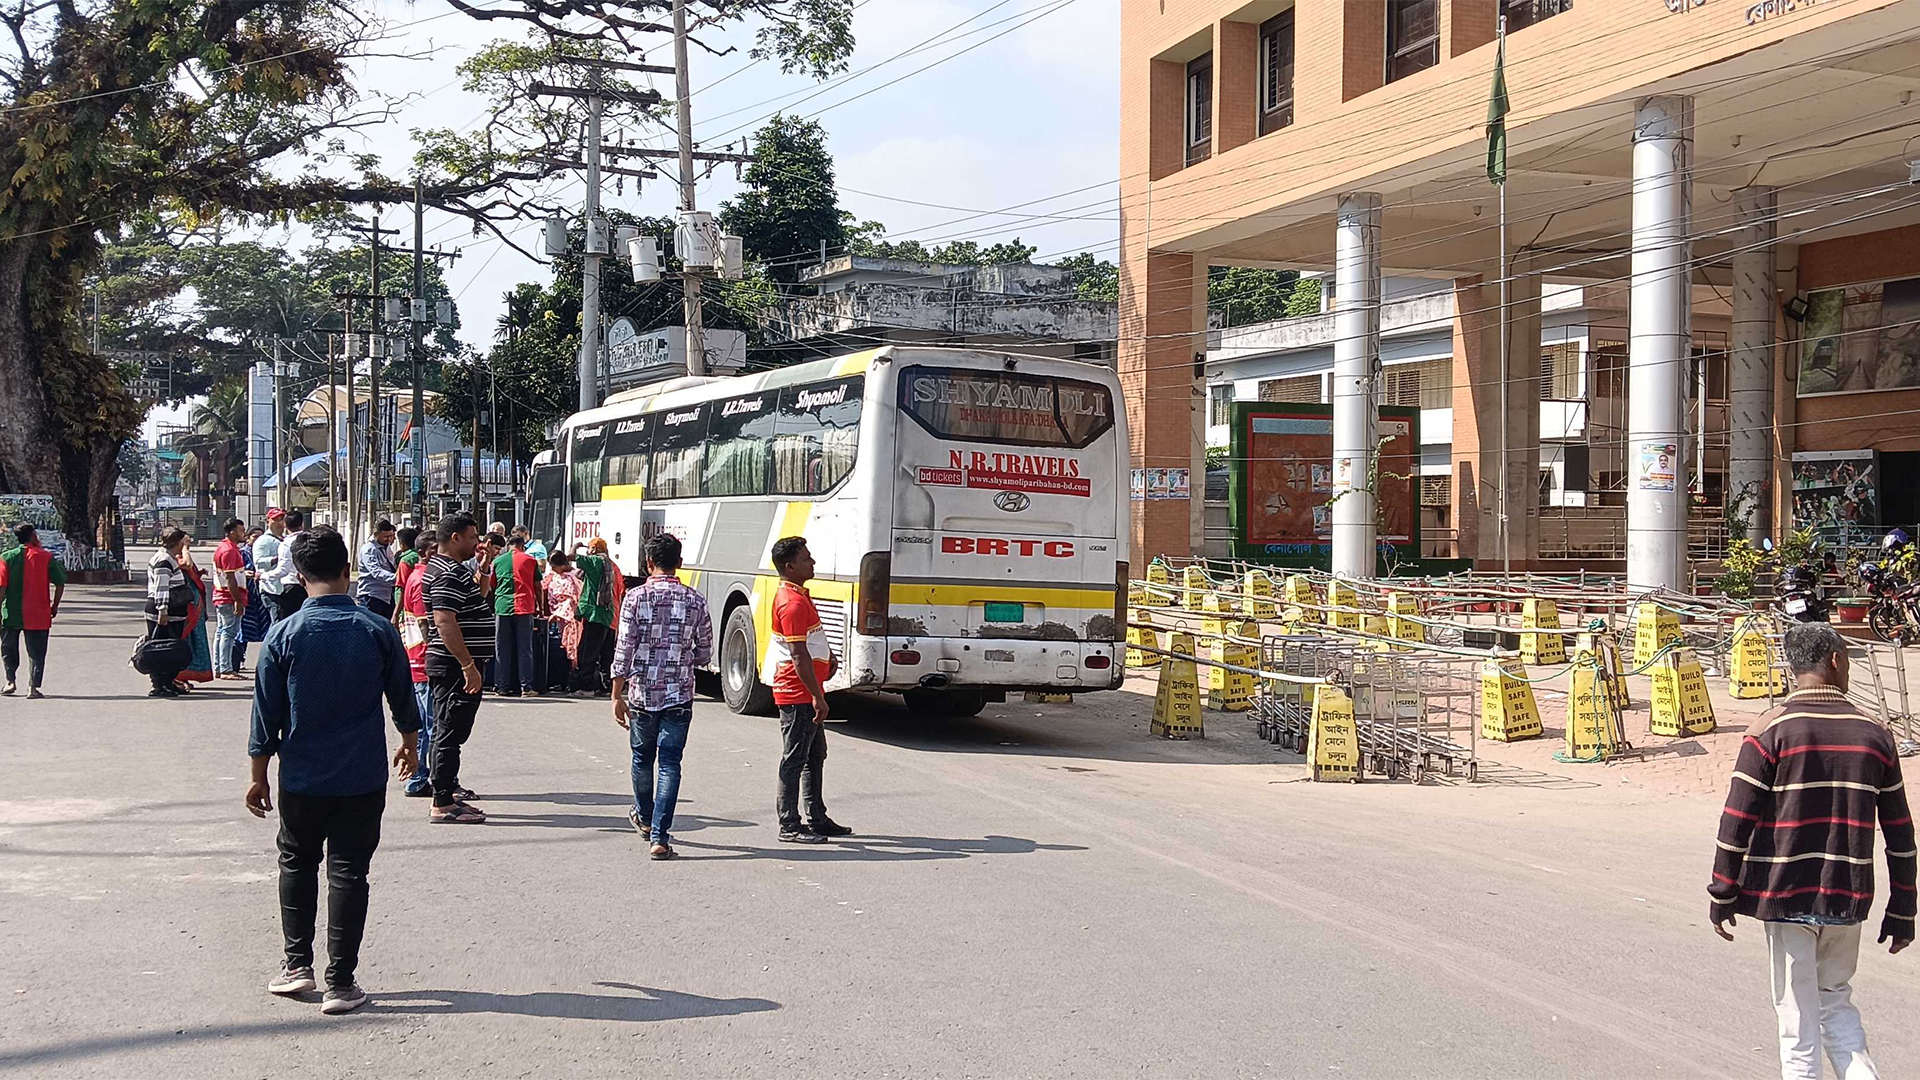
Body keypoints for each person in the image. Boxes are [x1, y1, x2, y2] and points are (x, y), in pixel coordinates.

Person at [1709, 622, 1914, 1080]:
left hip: (1785, 898)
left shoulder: (1769, 731)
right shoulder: (1875, 735)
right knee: (1834, 1000)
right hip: (1848, 897)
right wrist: (1903, 910)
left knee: (1797, 1025)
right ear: (1837, 662)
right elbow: (1900, 834)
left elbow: (1735, 821)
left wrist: (1722, 893)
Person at [246, 525, 420, 1016]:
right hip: (362, 775)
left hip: (301, 775)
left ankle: (296, 965)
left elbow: (266, 715)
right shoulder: (377, 629)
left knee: (297, 862)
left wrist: (258, 774)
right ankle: (341, 982)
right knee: (350, 872)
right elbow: (404, 701)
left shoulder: (282, 634)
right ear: (349, 571)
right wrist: (409, 744)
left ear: (300, 577)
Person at [610, 534, 712, 860]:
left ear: (648, 563)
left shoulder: (635, 597)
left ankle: (642, 815)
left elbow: (624, 648)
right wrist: (682, 660)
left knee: (642, 759)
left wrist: (616, 694)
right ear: (679, 562)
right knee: (670, 763)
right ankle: (660, 837)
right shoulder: (696, 600)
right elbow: (706, 652)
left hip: (642, 693)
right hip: (679, 694)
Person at [764, 536, 852, 844]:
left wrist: (827, 660)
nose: (812, 563)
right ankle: (790, 823)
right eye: (806, 559)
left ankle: (816, 817)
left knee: (815, 755)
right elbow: (798, 654)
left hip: (805, 690)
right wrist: (817, 695)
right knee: (796, 758)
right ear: (790, 567)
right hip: (798, 692)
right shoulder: (792, 602)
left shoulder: (797, 596)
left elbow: (809, 646)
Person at [423, 513, 494, 824]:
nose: (476, 542)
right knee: (449, 730)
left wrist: (484, 567)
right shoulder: (446, 574)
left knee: (453, 728)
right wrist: (467, 664)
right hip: (453, 665)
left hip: (460, 663)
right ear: (455, 538)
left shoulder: (455, 570)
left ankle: (448, 791)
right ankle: (441, 802)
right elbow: (444, 620)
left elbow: (477, 597)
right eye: (471, 537)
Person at [0, 523, 66, 699]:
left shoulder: (6, 557)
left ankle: (10, 681)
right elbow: (60, 583)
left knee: (8, 649)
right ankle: (33, 687)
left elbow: (2, 588)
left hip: (11, 612)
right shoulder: (45, 557)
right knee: (37, 651)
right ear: (33, 536)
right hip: (38, 613)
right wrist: (55, 605)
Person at [399, 535, 438, 797]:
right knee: (430, 725)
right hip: (423, 660)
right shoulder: (423, 578)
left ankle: (422, 776)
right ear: (423, 552)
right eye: (436, 549)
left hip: (417, 658)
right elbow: (424, 623)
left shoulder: (416, 575)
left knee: (426, 724)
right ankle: (420, 777)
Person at [491, 530, 543, 698]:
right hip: (525, 607)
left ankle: (502, 686)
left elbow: (492, 585)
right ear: (523, 546)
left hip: (502, 608)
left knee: (502, 648)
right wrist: (541, 607)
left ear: (508, 546)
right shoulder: (530, 560)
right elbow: (538, 587)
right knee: (525, 649)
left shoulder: (497, 561)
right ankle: (526, 687)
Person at [144, 528, 193, 697]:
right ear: (178, 542)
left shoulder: (169, 558)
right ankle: (159, 684)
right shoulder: (164, 560)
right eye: (183, 542)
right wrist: (162, 610)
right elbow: (161, 587)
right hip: (165, 613)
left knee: (170, 649)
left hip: (173, 613)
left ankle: (167, 682)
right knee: (161, 649)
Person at [573, 538, 622, 696]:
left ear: (593, 549)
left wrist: (576, 546)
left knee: (587, 652)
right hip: (611, 615)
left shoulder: (595, 562)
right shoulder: (614, 566)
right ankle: (605, 686)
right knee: (606, 655)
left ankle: (587, 687)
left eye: (589, 548)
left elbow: (570, 557)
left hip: (596, 614)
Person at [212, 517, 250, 681]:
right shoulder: (229, 550)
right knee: (229, 632)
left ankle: (220, 666)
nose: (244, 534)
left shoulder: (226, 547)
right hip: (229, 596)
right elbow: (230, 578)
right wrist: (238, 600)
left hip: (223, 596)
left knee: (222, 632)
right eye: (241, 531)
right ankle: (226, 668)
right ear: (233, 533)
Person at [234, 527, 272, 674]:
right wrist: (245, 573)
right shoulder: (242, 553)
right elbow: (234, 571)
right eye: (254, 537)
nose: (257, 540)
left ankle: (266, 662)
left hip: (263, 593)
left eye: (260, 537)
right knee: (242, 629)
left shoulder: (266, 551)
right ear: (248, 538)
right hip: (247, 594)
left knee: (267, 627)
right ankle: (236, 661)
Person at [545, 551, 582, 693]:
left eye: (554, 566)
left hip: (569, 618)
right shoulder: (555, 576)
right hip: (560, 618)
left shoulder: (570, 579)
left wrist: (557, 613)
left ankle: (570, 680)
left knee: (571, 648)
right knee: (563, 647)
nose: (552, 568)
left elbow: (572, 600)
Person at [354, 520, 399, 620]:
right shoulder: (369, 549)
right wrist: (397, 578)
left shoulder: (386, 547)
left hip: (387, 595)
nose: (389, 539)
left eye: (391, 536)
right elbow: (376, 571)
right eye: (386, 537)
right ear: (376, 534)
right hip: (371, 596)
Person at [254, 509, 289, 622]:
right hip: (271, 588)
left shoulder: (286, 539)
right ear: (268, 521)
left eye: (281, 519)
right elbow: (258, 562)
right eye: (275, 520)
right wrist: (279, 559)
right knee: (277, 623)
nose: (279, 523)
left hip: (286, 588)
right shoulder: (263, 541)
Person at [392, 527, 422, 620]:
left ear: (402, 545)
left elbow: (402, 588)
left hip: (406, 610)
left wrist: (396, 614)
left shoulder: (405, 561)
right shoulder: (422, 555)